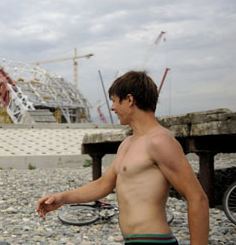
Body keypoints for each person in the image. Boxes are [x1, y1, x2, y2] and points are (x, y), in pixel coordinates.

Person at [36, 71, 209, 245]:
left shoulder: (160, 141)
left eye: (114, 100)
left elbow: (197, 197)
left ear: (129, 100)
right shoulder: (127, 144)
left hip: (155, 241)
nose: (112, 107)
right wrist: (62, 198)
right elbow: (103, 184)